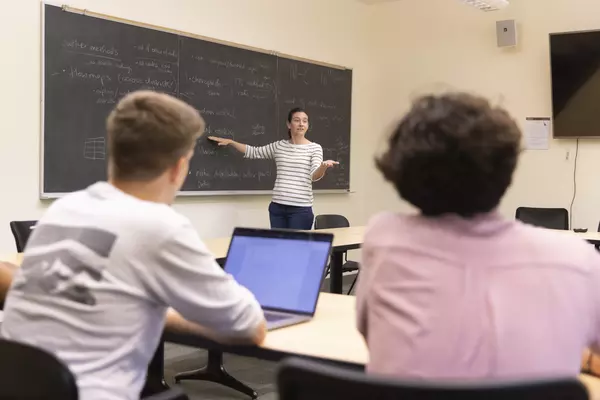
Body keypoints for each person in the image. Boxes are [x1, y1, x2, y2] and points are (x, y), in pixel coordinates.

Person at [1, 91, 266, 400]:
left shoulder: (63, 209)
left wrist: (149, 310)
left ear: (113, 153)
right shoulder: (159, 225)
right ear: (179, 168)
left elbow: (96, 300)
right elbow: (250, 325)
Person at [356, 92, 600, 380]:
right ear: (507, 167)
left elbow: (372, 333)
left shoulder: (382, 240)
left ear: (402, 171)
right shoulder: (577, 259)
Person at [208, 107, 338, 230]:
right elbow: (254, 152)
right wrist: (231, 142)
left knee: (296, 250)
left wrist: (323, 167)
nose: (301, 124)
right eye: (297, 120)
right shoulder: (279, 146)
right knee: (278, 249)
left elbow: (314, 176)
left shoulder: (314, 148)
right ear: (289, 124)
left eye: (305, 121)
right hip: (277, 207)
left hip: (300, 209)